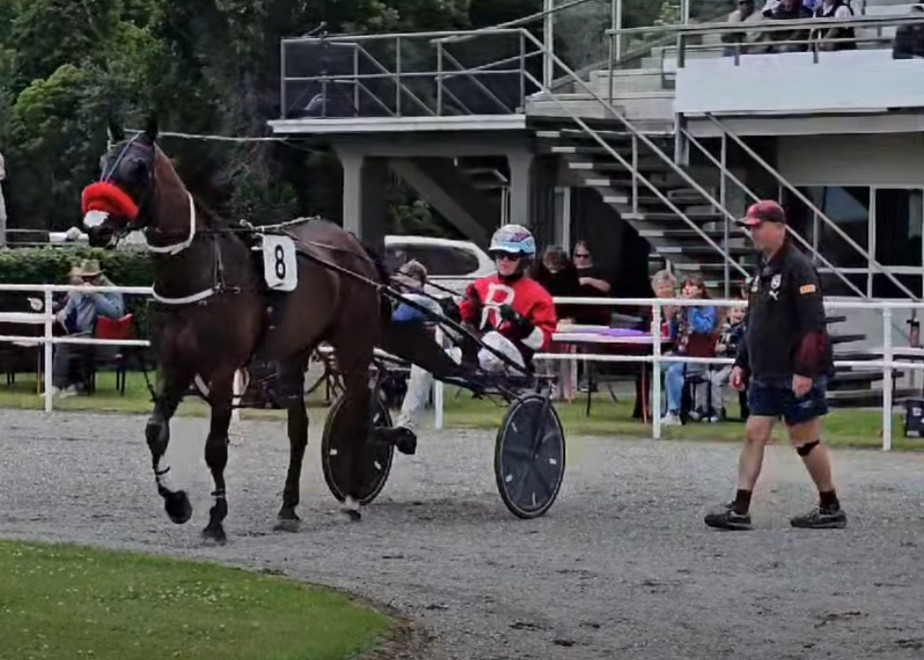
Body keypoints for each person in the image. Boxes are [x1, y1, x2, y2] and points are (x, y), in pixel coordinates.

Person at [704, 200, 845, 531]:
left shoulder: (799, 267)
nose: (752, 233)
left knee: (805, 438)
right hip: (766, 371)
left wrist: (805, 370)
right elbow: (754, 321)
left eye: (757, 226)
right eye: (750, 227)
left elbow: (813, 324)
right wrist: (742, 361)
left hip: (795, 371)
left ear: (779, 227)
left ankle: (830, 505)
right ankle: (740, 508)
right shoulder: (762, 267)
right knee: (755, 433)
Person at [380, 225, 557, 455]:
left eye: (510, 255)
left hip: (513, 362)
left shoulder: (538, 295)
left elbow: (542, 340)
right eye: (499, 254)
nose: (503, 259)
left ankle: (473, 354)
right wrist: (451, 311)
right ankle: (406, 429)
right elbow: (465, 323)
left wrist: (520, 322)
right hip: (475, 356)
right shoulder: (480, 286)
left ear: (524, 259)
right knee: (423, 356)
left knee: (494, 337)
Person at [48, 259, 125, 396]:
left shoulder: (111, 291)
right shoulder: (78, 290)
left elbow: (116, 314)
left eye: (91, 278)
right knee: (55, 341)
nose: (87, 281)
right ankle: (73, 384)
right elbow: (69, 309)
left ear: (99, 277)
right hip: (83, 334)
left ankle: (57, 386)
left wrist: (96, 296)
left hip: (104, 338)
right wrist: (62, 314)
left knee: (64, 344)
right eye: (85, 278)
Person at [661, 276, 718, 426]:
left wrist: (691, 308)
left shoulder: (708, 308)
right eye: (685, 286)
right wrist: (670, 317)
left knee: (674, 371)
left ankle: (674, 413)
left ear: (700, 290)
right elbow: (674, 335)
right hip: (679, 354)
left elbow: (704, 328)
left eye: (691, 286)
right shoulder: (681, 307)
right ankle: (664, 410)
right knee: (657, 365)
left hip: (698, 356)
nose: (686, 288)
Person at [708, 303, 748, 423]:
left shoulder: (744, 329)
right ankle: (709, 409)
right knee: (708, 377)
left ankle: (718, 412)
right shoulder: (724, 329)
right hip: (721, 363)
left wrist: (727, 348)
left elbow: (743, 347)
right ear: (729, 313)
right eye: (735, 311)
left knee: (716, 380)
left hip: (736, 364)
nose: (739, 314)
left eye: (742, 311)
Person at [572, 241, 611, 325]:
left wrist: (589, 280)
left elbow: (607, 287)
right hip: (575, 315)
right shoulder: (569, 270)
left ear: (590, 256)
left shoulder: (598, 270)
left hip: (597, 314)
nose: (582, 259)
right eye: (578, 256)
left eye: (585, 256)